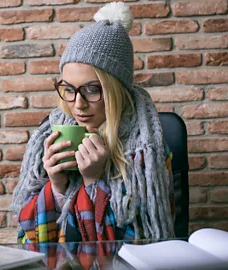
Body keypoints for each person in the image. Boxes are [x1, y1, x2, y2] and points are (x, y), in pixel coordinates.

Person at [11, 2, 175, 244]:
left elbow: (138, 244)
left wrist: (93, 181)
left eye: (91, 89)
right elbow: (28, 240)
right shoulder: (48, 135)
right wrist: (56, 186)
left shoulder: (146, 151)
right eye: (68, 89)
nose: (78, 104)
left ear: (115, 91)